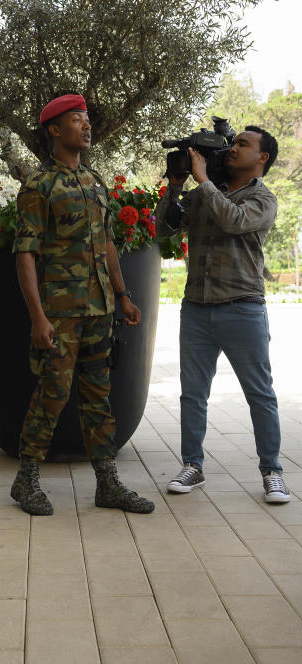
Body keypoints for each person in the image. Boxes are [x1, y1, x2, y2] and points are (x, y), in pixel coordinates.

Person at [11, 93, 155, 516]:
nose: (86, 126)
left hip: (99, 308)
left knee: (98, 395)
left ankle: (107, 484)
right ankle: (26, 479)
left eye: (87, 120)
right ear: (55, 130)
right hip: (60, 311)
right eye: (77, 120)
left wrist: (124, 296)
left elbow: (107, 243)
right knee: (53, 393)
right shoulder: (40, 185)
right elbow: (25, 254)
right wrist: (37, 317)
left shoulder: (94, 182)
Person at [156, 126, 290, 503]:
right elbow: (161, 230)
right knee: (192, 396)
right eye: (232, 142)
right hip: (196, 309)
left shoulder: (263, 198)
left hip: (243, 308)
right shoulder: (202, 194)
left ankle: (272, 471)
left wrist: (204, 183)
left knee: (260, 395)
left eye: (242, 144)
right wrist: (176, 187)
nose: (232, 148)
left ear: (262, 158)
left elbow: (234, 220)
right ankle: (192, 465)